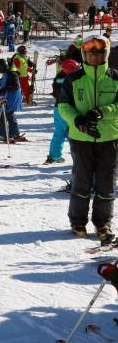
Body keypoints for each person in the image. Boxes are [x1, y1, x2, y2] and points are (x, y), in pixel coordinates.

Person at [58, 34, 118, 244]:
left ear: (106, 54)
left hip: (109, 138)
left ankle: (103, 222)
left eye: (99, 52)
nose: (94, 57)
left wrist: (104, 111)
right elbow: (63, 106)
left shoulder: (115, 77)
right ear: (84, 55)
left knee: (106, 183)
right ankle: (78, 220)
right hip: (81, 138)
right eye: (90, 53)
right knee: (81, 181)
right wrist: (78, 120)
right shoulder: (73, 79)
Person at [46, 58, 81, 164]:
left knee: (63, 133)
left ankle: (55, 155)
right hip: (65, 109)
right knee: (70, 133)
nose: (77, 70)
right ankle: (77, 157)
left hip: (61, 108)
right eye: (74, 69)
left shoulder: (62, 77)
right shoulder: (66, 79)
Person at [0, 58, 25, 143]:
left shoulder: (11, 74)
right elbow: (7, 84)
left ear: (1, 67)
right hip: (8, 97)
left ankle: (2, 135)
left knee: (2, 115)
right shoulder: (6, 74)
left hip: (11, 98)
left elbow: (15, 86)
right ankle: (14, 134)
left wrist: (4, 89)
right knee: (9, 115)